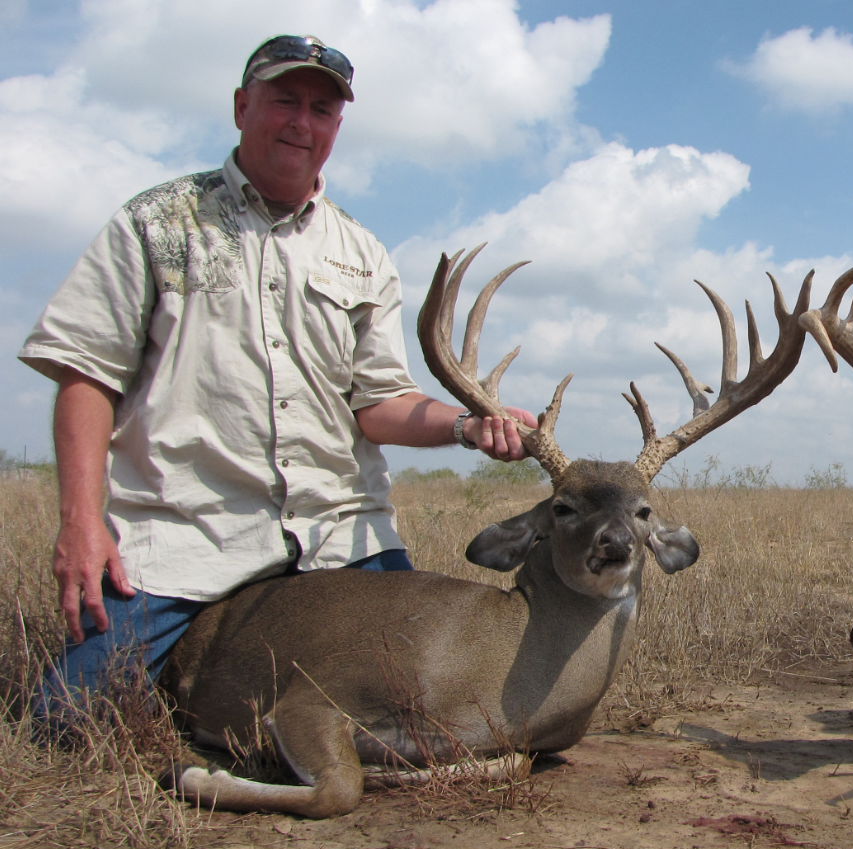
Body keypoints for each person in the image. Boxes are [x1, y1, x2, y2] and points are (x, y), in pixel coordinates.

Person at [19, 35, 536, 724]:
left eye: (321, 109)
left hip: (338, 536)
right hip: (185, 539)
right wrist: (82, 524)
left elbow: (379, 402)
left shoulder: (361, 252)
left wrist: (470, 426)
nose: (302, 123)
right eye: (284, 101)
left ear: (336, 129)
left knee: (434, 706)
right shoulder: (157, 223)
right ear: (242, 107)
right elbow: (86, 374)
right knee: (68, 722)